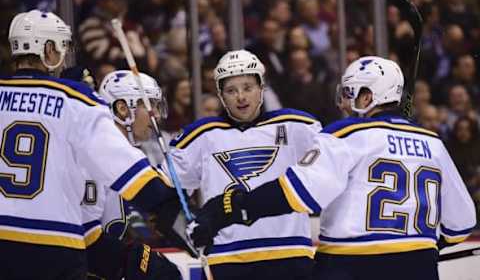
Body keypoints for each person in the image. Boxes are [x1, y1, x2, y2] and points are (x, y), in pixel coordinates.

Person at [187, 56, 477, 280]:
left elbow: (297, 193)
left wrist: (231, 207)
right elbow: (461, 223)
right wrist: (421, 248)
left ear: (368, 97)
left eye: (350, 93)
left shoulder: (345, 135)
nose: (344, 102)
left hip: (349, 267)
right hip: (420, 267)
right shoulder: (433, 142)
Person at [0, 9, 180, 279]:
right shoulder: (76, 102)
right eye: (61, 48)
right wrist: (168, 203)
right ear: (48, 50)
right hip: (53, 248)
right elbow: (128, 171)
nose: (63, 61)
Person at [164, 49, 322, 280]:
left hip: (290, 254)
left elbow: (332, 170)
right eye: (231, 90)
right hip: (228, 258)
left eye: (248, 87)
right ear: (220, 95)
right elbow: (168, 190)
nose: (241, 97)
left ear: (261, 88)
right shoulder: (201, 136)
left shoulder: (296, 126)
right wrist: (187, 227)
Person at [83, 70, 185, 280]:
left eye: (157, 106)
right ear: (122, 109)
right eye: (149, 106)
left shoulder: (127, 155)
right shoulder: (94, 156)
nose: (156, 114)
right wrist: (129, 259)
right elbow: (82, 236)